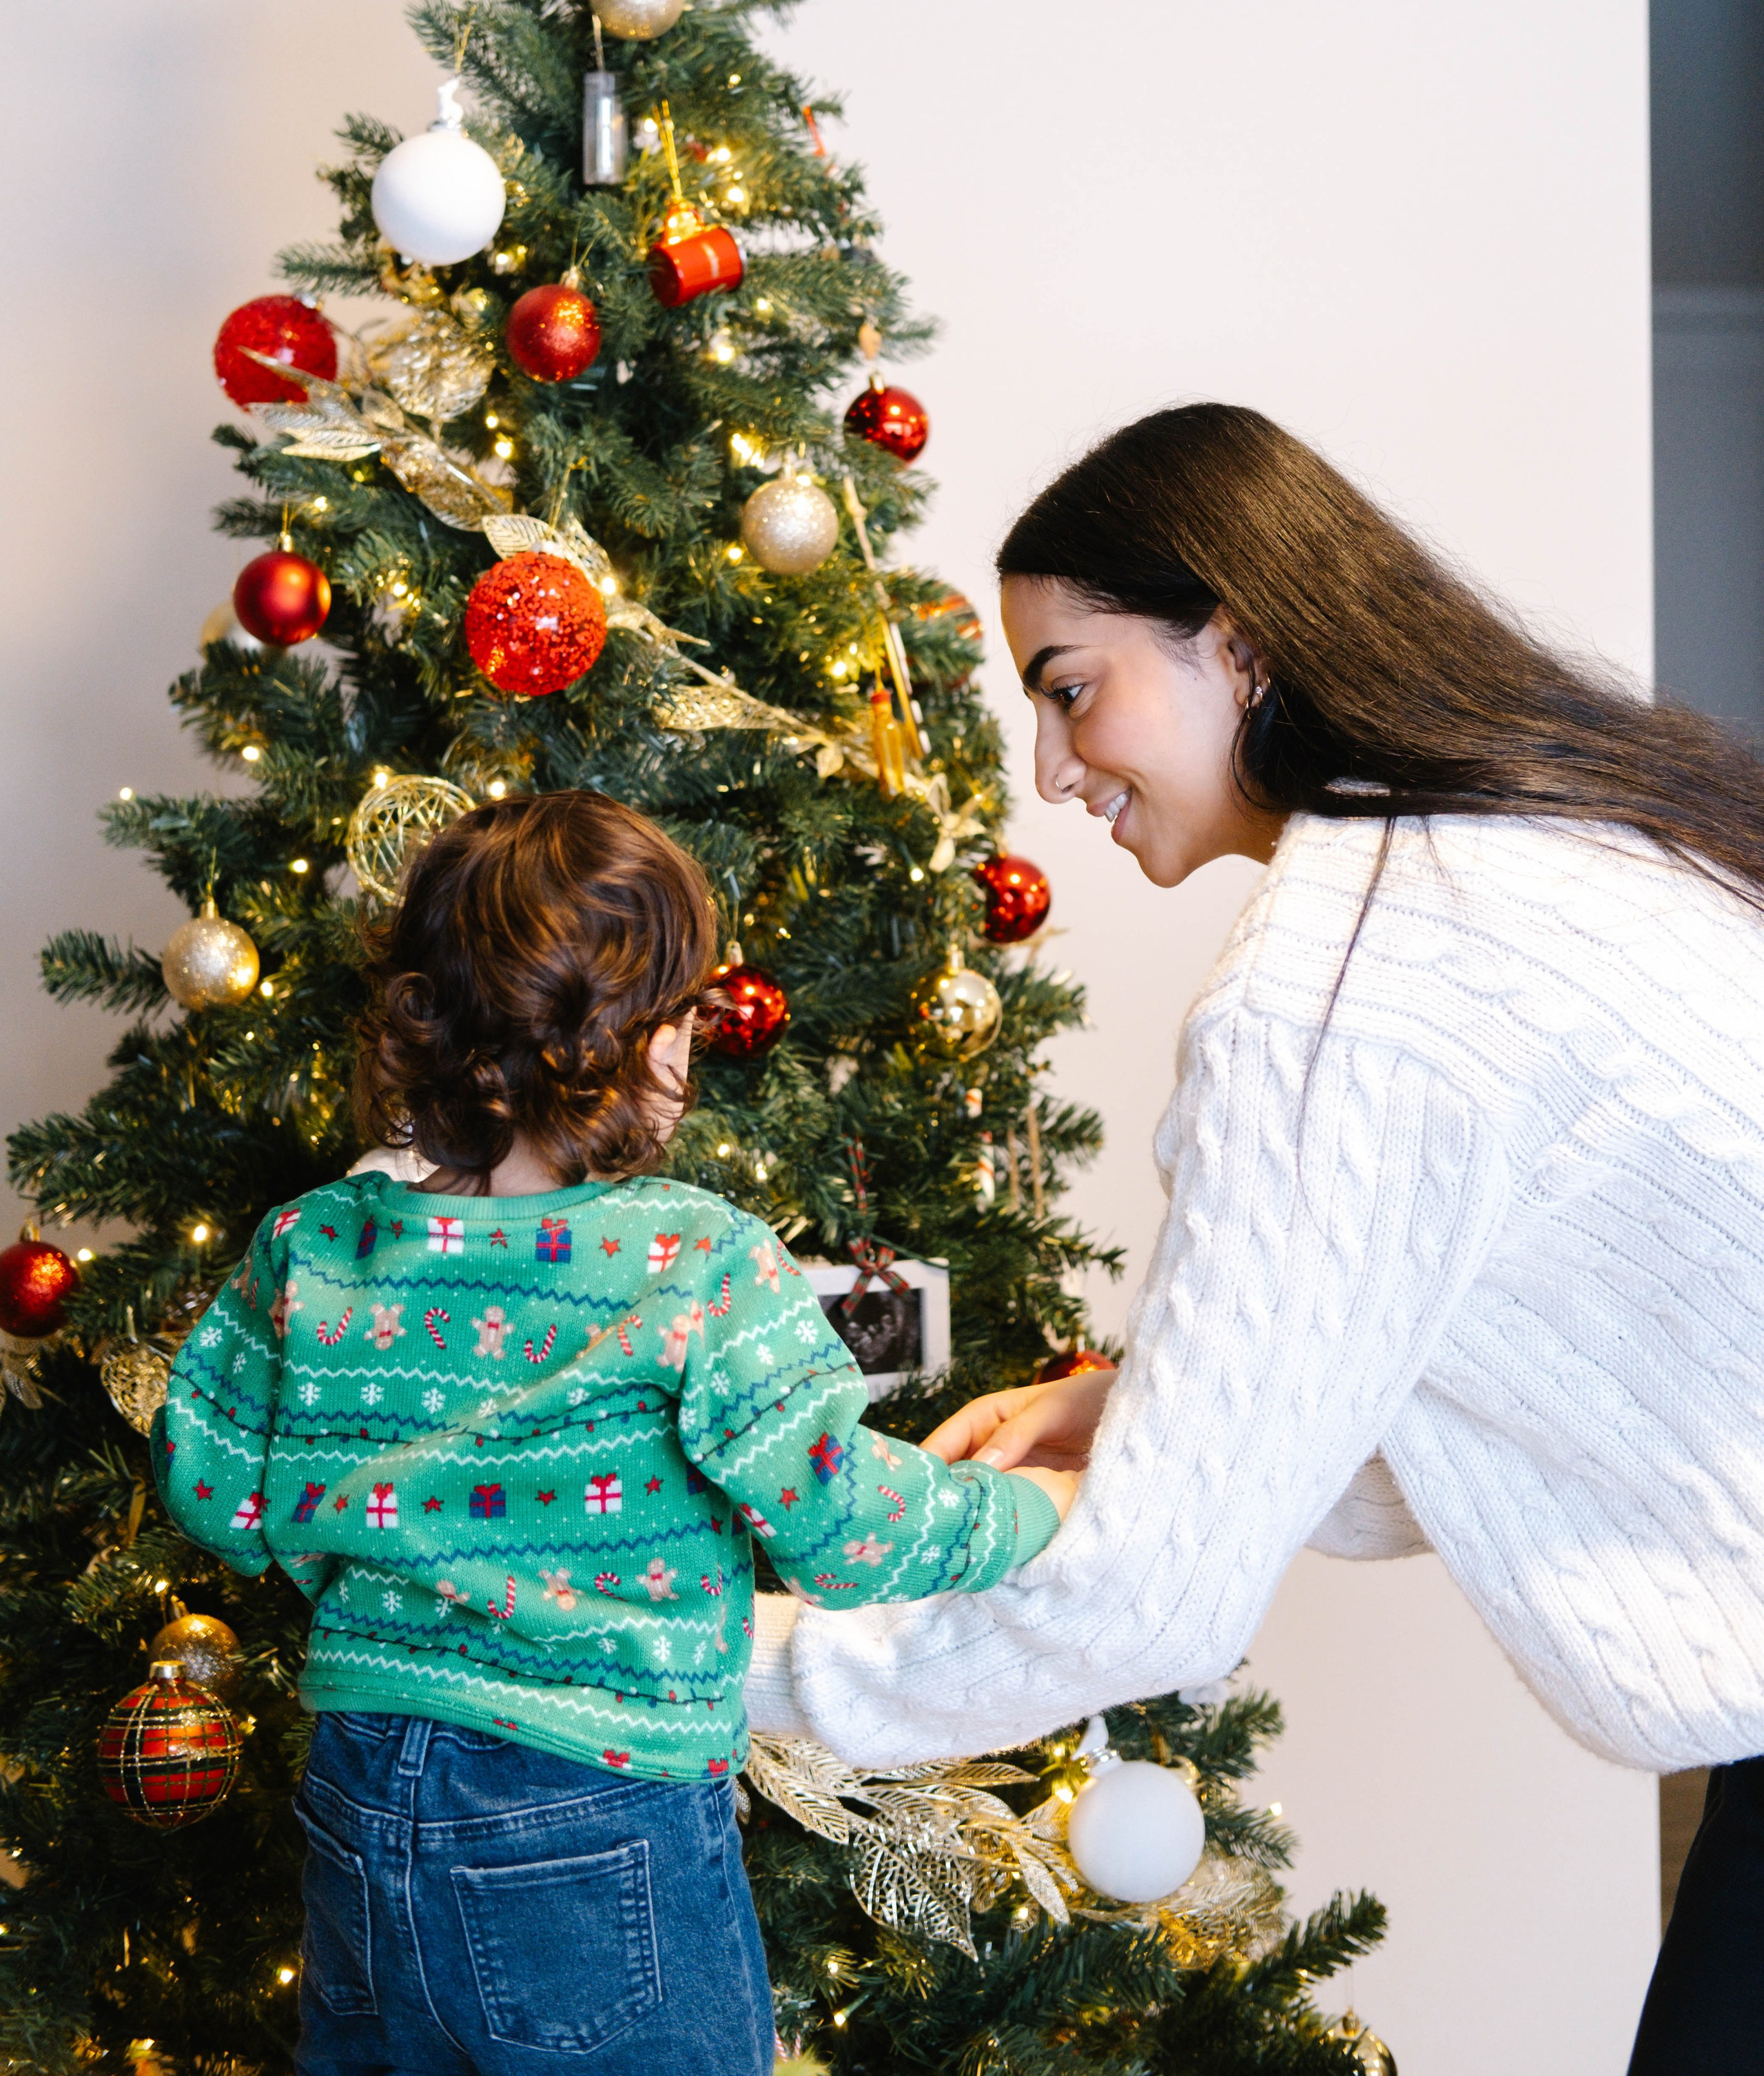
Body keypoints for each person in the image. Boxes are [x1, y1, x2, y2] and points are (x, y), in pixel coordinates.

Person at [741, 400, 1764, 2076]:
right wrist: (1150, 1407)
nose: (1051, 770)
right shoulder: (1522, 845)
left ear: (1236, 640)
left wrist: (720, 1663)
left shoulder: (1342, 987)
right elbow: (1551, 1361)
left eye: (1071, 688)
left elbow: (1148, 1594)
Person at [152, 791, 1074, 2076]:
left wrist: (368, 1548)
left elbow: (208, 1485)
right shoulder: (695, 1258)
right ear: (597, 1041)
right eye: (681, 1019)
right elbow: (844, 1534)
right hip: (593, 1809)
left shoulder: (319, 1243)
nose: (693, 1054)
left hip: (359, 1787)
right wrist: (1037, 1511)